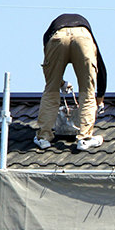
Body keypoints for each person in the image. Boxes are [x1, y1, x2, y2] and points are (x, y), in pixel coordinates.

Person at [34, 13, 107, 151]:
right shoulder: (87, 30)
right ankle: (84, 139)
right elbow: (101, 68)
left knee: (51, 90)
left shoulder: (48, 33)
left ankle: (43, 137)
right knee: (87, 92)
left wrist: (59, 84)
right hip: (83, 37)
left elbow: (49, 75)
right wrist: (100, 99)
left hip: (57, 36)